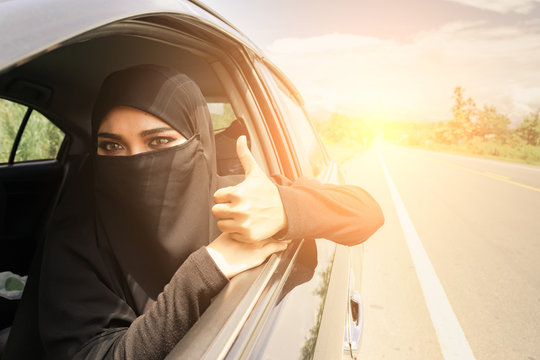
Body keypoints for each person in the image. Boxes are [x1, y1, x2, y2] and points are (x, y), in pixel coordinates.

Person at [37, 65, 384, 360]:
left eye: (158, 142)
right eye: (112, 146)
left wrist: (283, 207)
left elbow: (367, 212)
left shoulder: (242, 198)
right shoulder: (78, 237)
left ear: (198, 142)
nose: (134, 162)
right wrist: (208, 268)